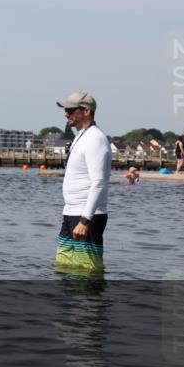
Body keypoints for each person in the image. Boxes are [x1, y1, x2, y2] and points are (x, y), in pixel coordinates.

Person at [54, 92, 111, 273]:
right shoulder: (81, 136)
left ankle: (93, 301)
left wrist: (85, 220)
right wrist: (67, 211)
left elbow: (99, 183)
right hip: (73, 213)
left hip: (87, 217)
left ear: (86, 111)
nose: (66, 114)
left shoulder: (96, 139)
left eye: (70, 110)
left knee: (87, 271)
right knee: (64, 266)